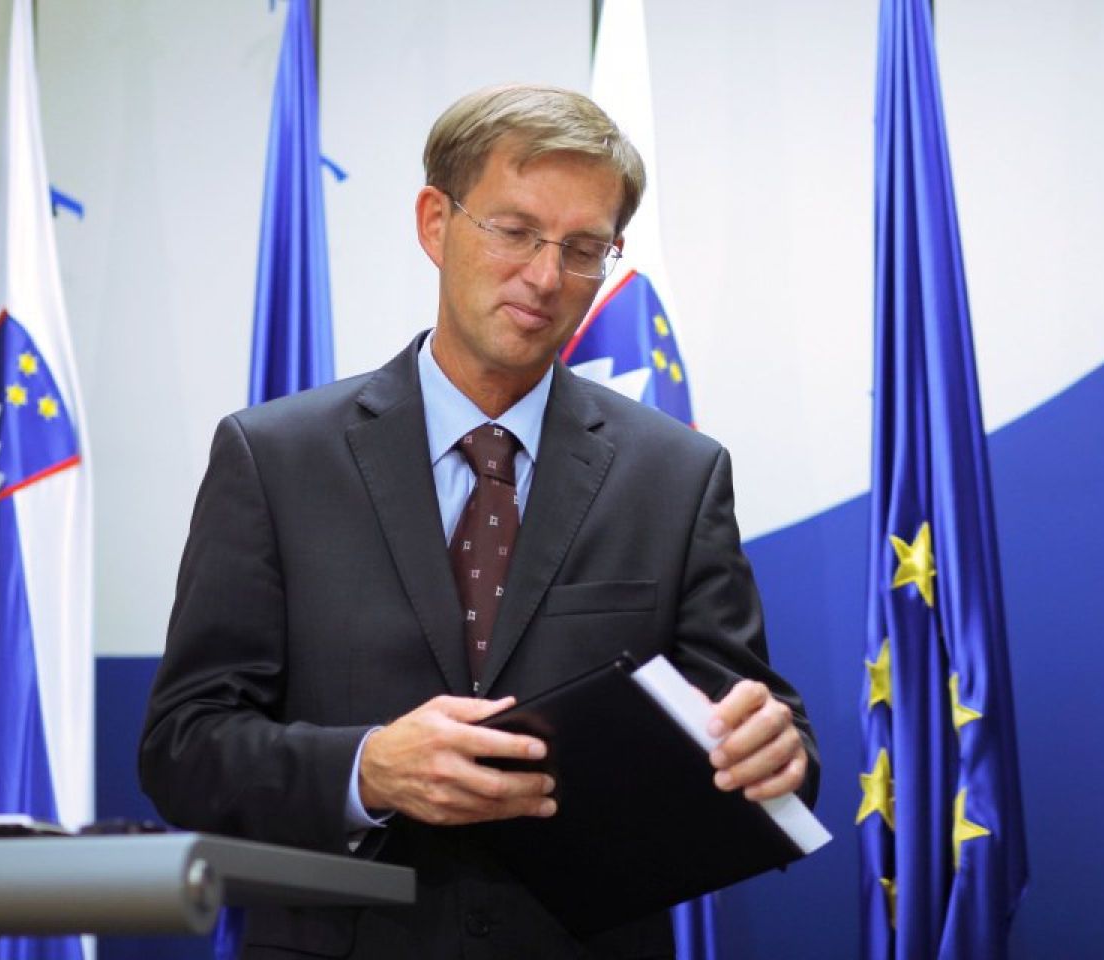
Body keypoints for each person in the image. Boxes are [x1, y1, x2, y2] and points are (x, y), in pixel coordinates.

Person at [139, 83, 819, 959]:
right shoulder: (274, 460)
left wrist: (777, 751)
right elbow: (183, 749)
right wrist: (367, 768)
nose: (546, 277)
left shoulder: (678, 476)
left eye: (584, 249)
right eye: (514, 230)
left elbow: (746, 723)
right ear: (436, 223)